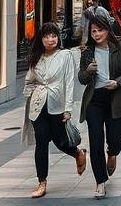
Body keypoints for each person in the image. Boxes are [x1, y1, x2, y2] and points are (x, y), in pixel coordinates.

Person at [22, 22, 87, 199]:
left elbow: (69, 82)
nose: (51, 39)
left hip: (57, 104)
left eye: (54, 36)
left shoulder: (65, 55)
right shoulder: (36, 56)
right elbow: (29, 79)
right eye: (47, 36)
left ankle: (77, 153)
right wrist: (29, 98)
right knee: (41, 142)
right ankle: (41, 182)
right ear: (41, 39)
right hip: (38, 105)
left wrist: (68, 109)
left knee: (59, 140)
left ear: (58, 38)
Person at [77, 13, 121, 199]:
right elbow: (82, 79)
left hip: (115, 98)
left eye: (100, 30)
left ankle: (113, 153)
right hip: (95, 100)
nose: (97, 34)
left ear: (108, 30)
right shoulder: (87, 52)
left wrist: (117, 83)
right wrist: (88, 71)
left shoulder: (118, 50)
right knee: (95, 141)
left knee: (116, 138)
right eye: (93, 31)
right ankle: (100, 181)